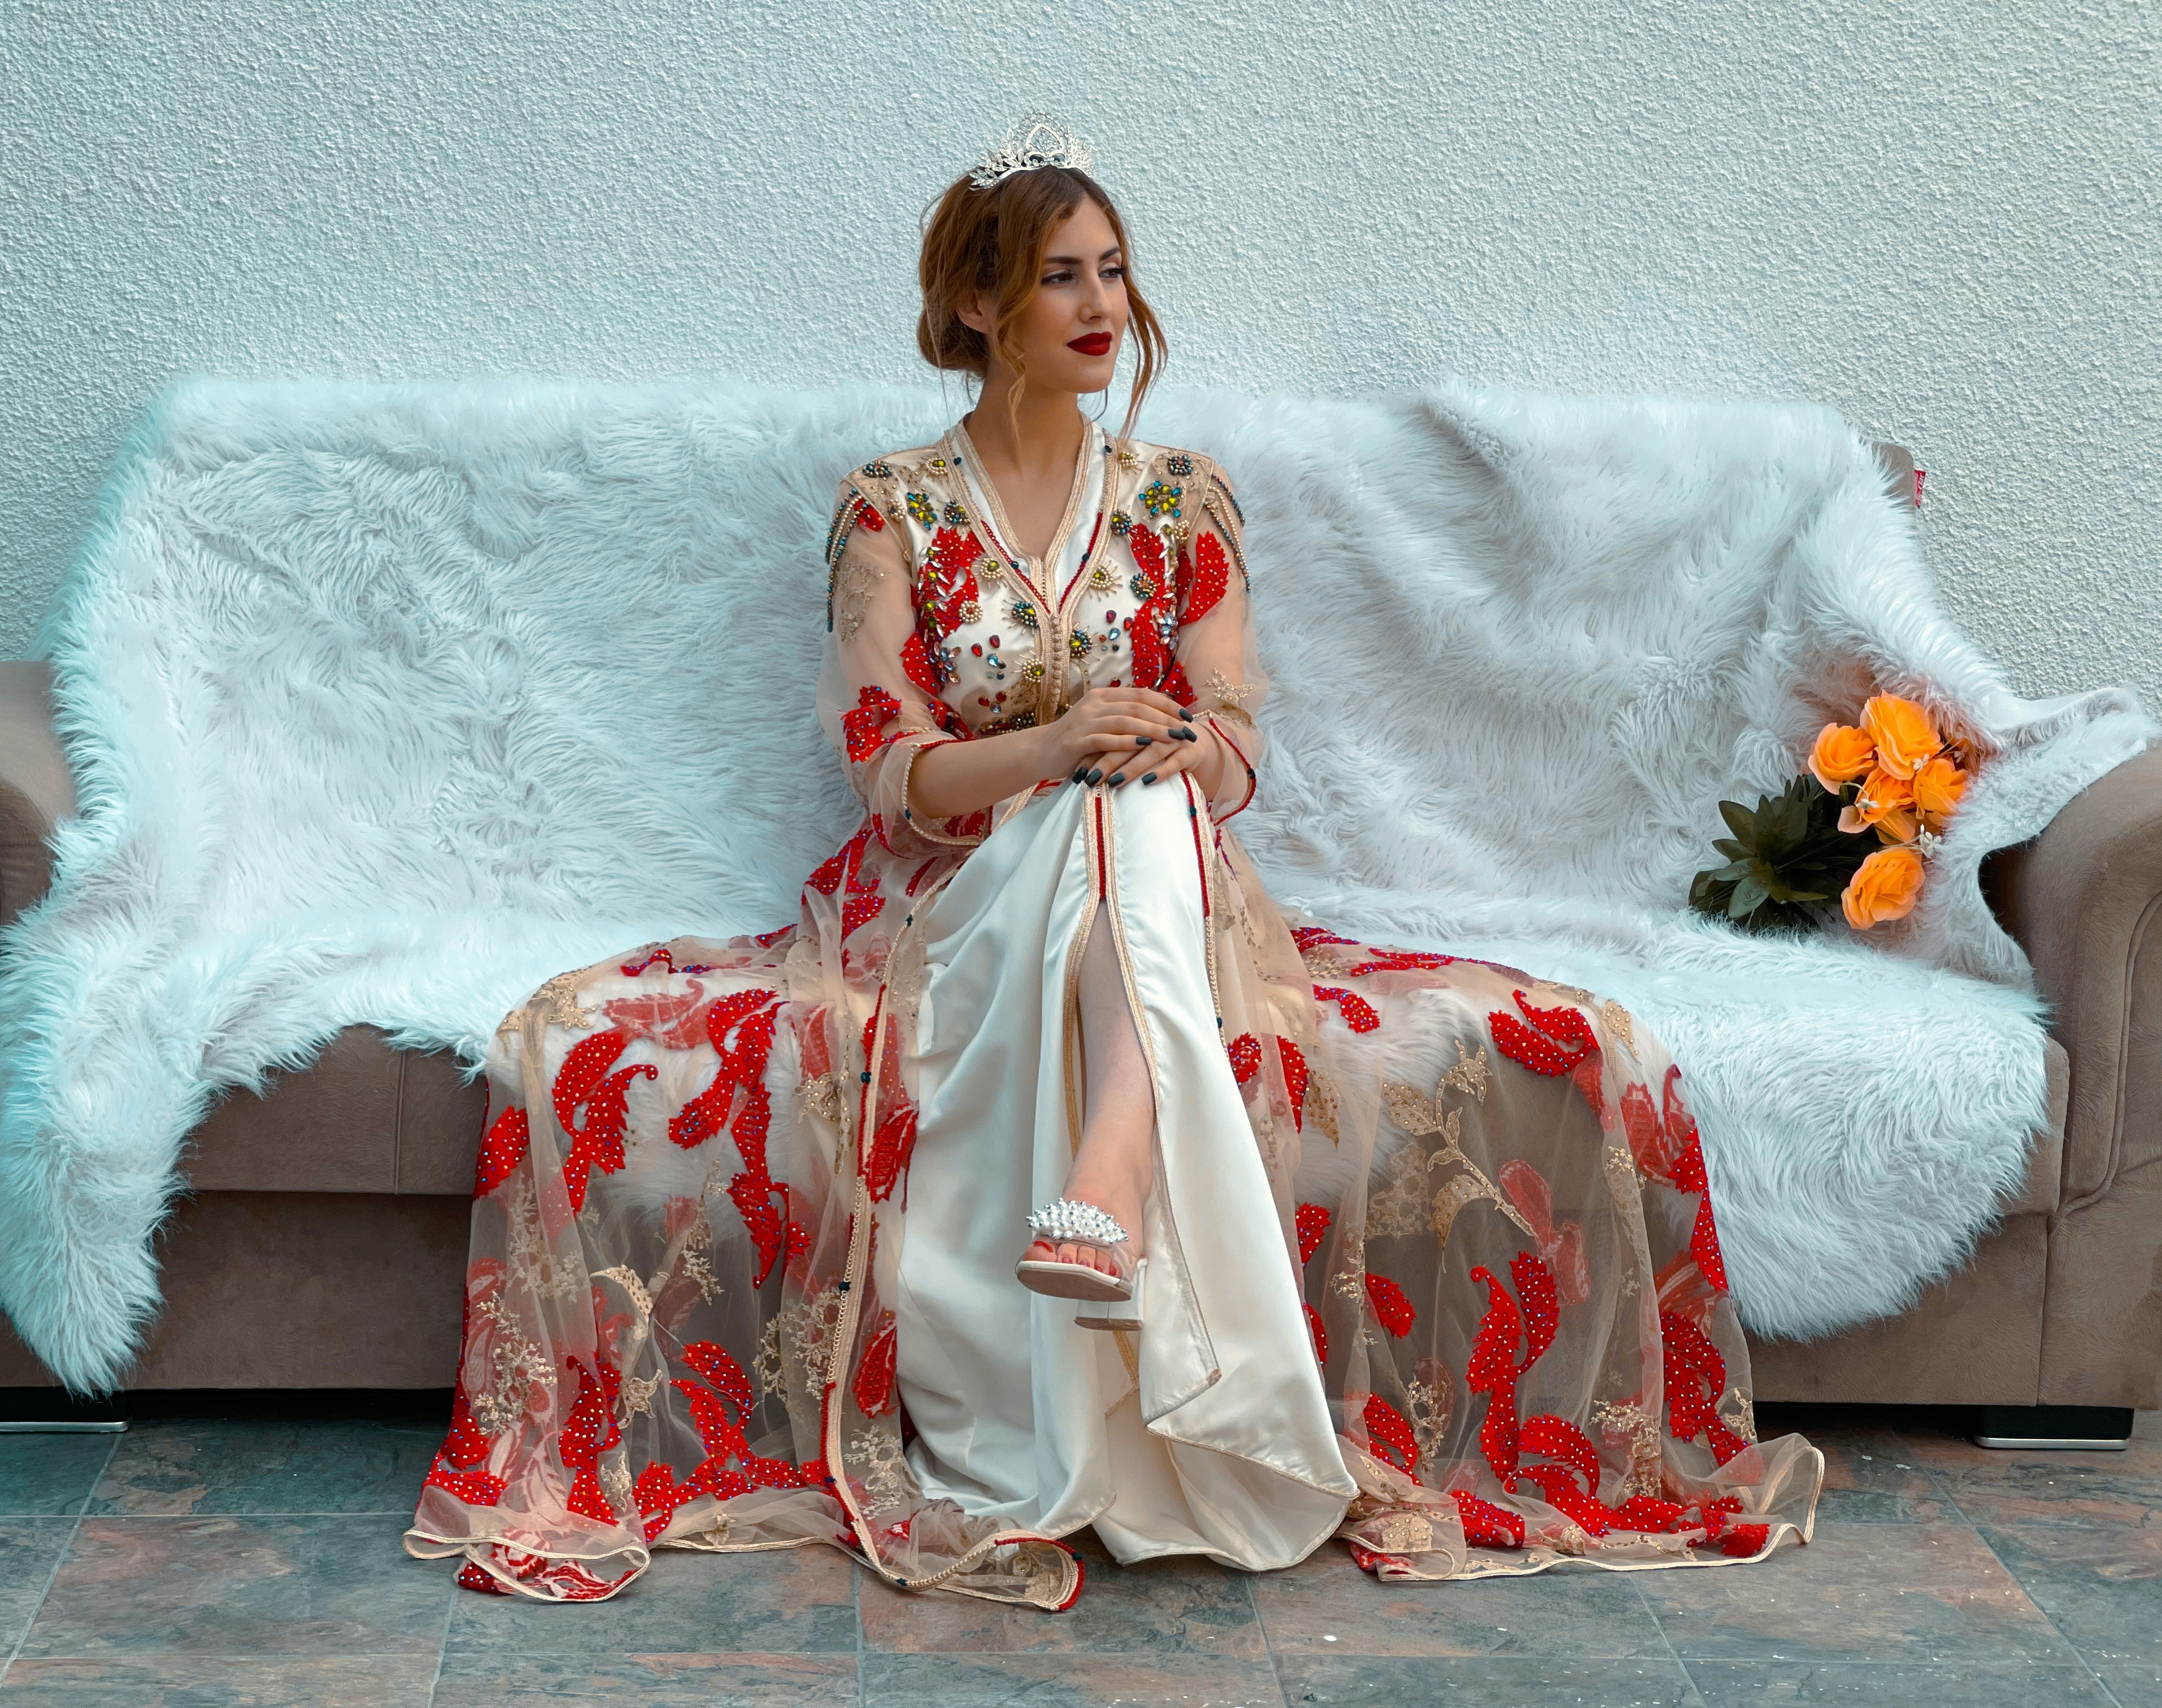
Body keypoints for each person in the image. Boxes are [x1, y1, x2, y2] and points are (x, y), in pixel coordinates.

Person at [404, 114, 1822, 1609]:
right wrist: (1059, 742)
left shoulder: (1178, 502)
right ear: (977, 309)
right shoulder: (893, 510)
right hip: (953, 899)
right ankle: (1126, 1178)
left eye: (1116, 274)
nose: (1102, 309)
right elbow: (891, 775)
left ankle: (1110, 1165)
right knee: (1096, 793)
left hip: (1162, 884)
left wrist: (1170, 756)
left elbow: (1239, 743)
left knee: (1136, 801)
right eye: (1063, 278)